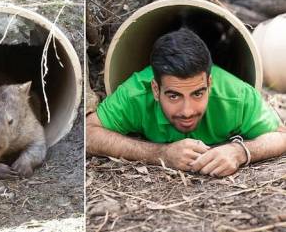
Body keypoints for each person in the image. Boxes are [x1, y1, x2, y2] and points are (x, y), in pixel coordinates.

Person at [86, 28, 286, 177]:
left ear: (209, 84)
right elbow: (88, 133)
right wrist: (160, 154)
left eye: (198, 94)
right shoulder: (135, 94)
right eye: (174, 96)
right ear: (155, 89)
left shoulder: (235, 95)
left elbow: (280, 135)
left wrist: (240, 152)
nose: (187, 111)